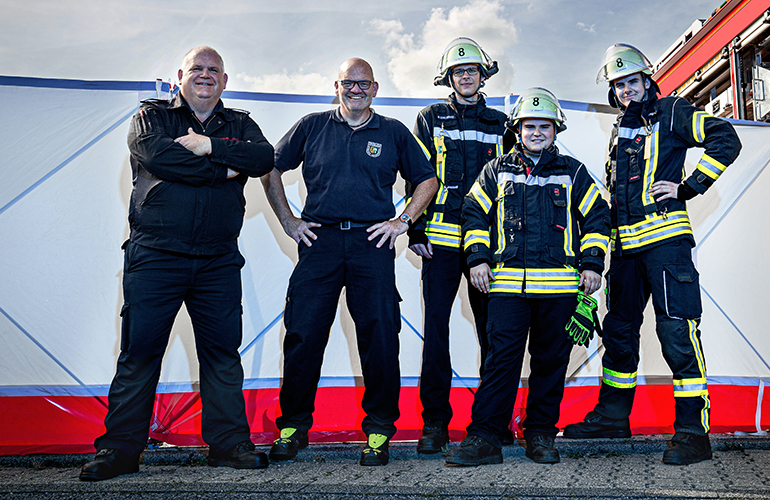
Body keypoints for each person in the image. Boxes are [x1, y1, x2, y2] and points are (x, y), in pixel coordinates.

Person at [80, 46, 274, 481]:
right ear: (180, 76)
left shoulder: (239, 124)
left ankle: (228, 446)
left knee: (222, 354)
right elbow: (157, 157)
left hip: (218, 261)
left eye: (214, 71)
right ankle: (120, 452)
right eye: (197, 69)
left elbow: (263, 159)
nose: (205, 76)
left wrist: (210, 145)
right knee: (140, 353)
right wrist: (223, 167)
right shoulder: (152, 117)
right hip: (155, 257)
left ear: (225, 80)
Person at [561, 44, 741, 466]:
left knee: (677, 335)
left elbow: (724, 139)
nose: (626, 90)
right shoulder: (619, 129)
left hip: (666, 248)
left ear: (647, 79)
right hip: (625, 253)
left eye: (632, 81)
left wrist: (689, 186)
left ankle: (694, 434)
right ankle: (611, 416)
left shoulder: (673, 111)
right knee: (619, 335)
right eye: (619, 85)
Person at [261, 58, 438, 467]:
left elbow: (427, 179)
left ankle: (378, 431)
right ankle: (292, 427)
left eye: (363, 84)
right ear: (336, 86)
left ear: (375, 88)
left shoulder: (392, 131)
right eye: (348, 83)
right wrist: (289, 220)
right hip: (319, 242)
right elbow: (269, 165)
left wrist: (403, 221)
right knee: (303, 334)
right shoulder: (311, 125)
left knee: (379, 337)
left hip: (370, 244)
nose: (355, 90)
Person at [445, 88, 610, 466]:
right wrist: (477, 259)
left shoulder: (573, 172)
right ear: (517, 130)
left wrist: (591, 264)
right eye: (529, 126)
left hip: (559, 291)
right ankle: (485, 437)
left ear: (556, 130)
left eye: (544, 127)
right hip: (505, 291)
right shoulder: (496, 170)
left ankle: (540, 434)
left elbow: (598, 218)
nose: (537, 133)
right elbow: (473, 214)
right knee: (500, 363)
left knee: (550, 364)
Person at [408, 37, 515, 455]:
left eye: (471, 70)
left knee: (495, 334)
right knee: (437, 334)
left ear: (483, 74)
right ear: (448, 77)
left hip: (487, 248)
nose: (465, 76)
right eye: (458, 71)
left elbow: (510, 183)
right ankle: (434, 423)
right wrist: (415, 228)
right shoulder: (429, 117)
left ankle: (491, 424)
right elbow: (417, 173)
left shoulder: (503, 123)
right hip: (438, 243)